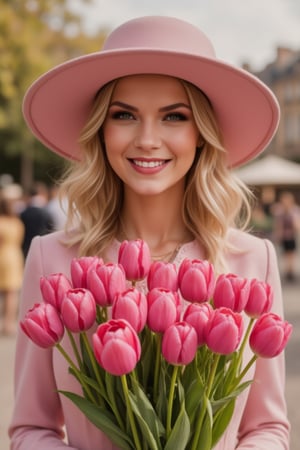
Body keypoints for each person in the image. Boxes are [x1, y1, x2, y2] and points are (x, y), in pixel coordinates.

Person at [9, 16, 290, 449]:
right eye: (124, 115)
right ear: (101, 130)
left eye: (174, 117)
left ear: (201, 134)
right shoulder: (53, 260)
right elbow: (31, 429)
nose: (147, 139)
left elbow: (267, 429)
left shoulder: (251, 261)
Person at [0, 195, 24, 335]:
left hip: (2, 255)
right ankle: (9, 323)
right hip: (14, 255)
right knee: (12, 292)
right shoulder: (17, 222)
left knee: (4, 291)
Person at [19, 182, 55, 257]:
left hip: (26, 248)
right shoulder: (47, 211)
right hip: (43, 249)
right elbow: (51, 229)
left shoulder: (23, 212)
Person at [273, 191, 300, 281]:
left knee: (291, 253)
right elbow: (278, 225)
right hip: (284, 236)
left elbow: (297, 225)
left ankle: (290, 270)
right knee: (285, 254)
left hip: (291, 236)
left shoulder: (294, 210)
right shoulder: (279, 211)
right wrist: (278, 236)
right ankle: (288, 270)